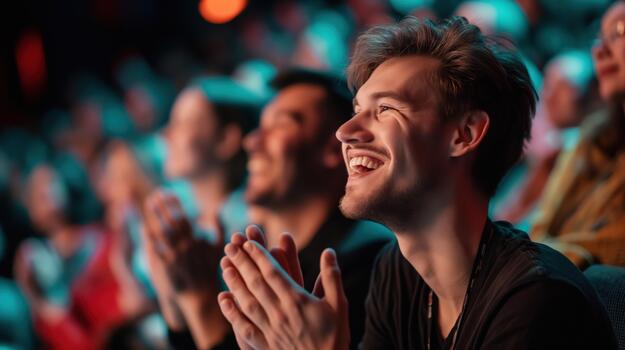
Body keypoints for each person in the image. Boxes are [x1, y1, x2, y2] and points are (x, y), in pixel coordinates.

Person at [216, 16, 618, 349]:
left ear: (464, 135)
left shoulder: (538, 302)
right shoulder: (400, 273)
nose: (346, 131)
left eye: (386, 109)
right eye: (357, 110)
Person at [143, 69, 392, 349]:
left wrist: (200, 302)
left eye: (282, 124)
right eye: (260, 126)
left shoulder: (365, 262)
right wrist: (175, 305)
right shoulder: (255, 252)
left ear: (336, 148)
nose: (253, 141)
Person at [142, 76, 262, 349]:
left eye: (181, 124)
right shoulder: (188, 227)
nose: (166, 134)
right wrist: (169, 296)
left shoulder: (249, 227)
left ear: (226, 139)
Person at [530, 1, 625, 268]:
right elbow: (538, 231)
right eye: (599, 37)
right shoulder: (589, 138)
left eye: (619, 32)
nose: (600, 50)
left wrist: (549, 258)